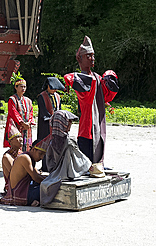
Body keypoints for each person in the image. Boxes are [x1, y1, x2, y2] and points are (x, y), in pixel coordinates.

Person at [64, 36, 119, 164]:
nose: (92, 59)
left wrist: (110, 81)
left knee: (96, 159)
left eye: (93, 56)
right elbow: (70, 78)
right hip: (86, 128)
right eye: (88, 56)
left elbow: (107, 96)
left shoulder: (97, 78)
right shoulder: (80, 78)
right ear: (79, 58)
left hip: (97, 125)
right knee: (86, 162)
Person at [40, 110, 92, 206]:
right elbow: (80, 160)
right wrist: (89, 165)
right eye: (68, 123)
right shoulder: (69, 141)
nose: (69, 126)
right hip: (67, 174)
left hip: (54, 172)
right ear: (62, 124)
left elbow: (49, 162)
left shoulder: (51, 141)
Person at [0, 137, 50, 207]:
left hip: (24, 190)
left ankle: (36, 201)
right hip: (20, 194)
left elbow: (38, 174)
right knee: (50, 189)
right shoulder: (25, 158)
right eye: (40, 154)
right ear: (33, 149)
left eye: (43, 155)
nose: (41, 157)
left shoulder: (30, 158)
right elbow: (36, 178)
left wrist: (49, 178)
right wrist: (51, 182)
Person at [37, 76, 65, 172]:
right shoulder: (41, 96)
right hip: (45, 125)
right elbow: (43, 112)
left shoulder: (57, 96)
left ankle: (54, 165)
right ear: (48, 86)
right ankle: (45, 166)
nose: (55, 90)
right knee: (45, 145)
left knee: (55, 145)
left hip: (56, 124)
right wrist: (51, 118)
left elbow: (59, 109)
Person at [3, 72, 35, 152]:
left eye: (24, 87)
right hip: (17, 127)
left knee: (27, 147)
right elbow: (13, 113)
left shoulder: (28, 100)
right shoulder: (12, 99)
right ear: (16, 87)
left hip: (27, 127)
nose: (23, 88)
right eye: (21, 86)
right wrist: (22, 123)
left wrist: (29, 122)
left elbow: (31, 113)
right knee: (16, 147)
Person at [2, 119, 23, 194]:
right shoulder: (7, 157)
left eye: (21, 137)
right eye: (17, 137)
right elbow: (16, 175)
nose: (21, 139)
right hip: (15, 187)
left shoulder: (22, 153)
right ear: (10, 141)